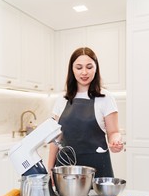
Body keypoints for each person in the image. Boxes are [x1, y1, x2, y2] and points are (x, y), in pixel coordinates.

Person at [48, 47, 123, 178]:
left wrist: (116, 141)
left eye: (89, 67)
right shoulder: (62, 99)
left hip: (97, 168)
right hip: (66, 169)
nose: (84, 72)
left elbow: (113, 132)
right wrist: (50, 168)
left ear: (96, 68)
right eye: (78, 67)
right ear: (72, 69)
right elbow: (55, 138)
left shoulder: (106, 97)